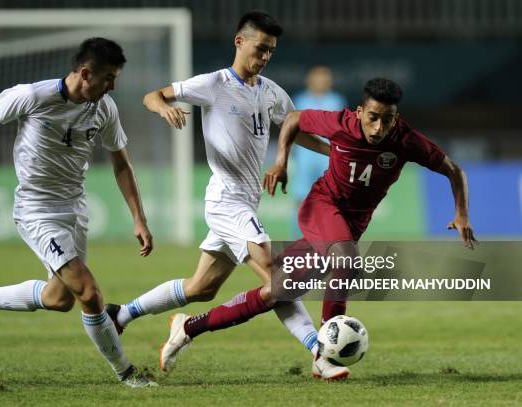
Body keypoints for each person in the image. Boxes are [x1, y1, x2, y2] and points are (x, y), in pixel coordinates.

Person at [165, 77, 476, 381]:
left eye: (388, 120)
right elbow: (294, 119)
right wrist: (282, 162)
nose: (379, 128)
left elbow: (453, 170)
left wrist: (461, 214)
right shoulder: (340, 123)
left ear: (397, 118)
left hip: (350, 224)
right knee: (347, 260)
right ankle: (324, 357)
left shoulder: (406, 141)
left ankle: (188, 327)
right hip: (321, 207)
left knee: (276, 292)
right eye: (373, 118)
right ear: (358, 112)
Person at [104, 11, 332, 377]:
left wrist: (330, 152)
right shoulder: (213, 84)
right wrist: (164, 107)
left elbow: (294, 128)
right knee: (277, 279)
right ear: (239, 42)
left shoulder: (271, 91)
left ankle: (123, 313)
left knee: (202, 287)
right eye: (260, 48)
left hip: (245, 200)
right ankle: (318, 350)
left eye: (271, 51)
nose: (265, 57)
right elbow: (152, 95)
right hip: (226, 200)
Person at [0, 38, 157, 388]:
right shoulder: (32, 96)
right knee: (89, 294)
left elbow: (122, 164)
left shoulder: (104, 108)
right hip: (37, 211)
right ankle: (127, 373)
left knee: (58, 299)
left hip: (75, 208)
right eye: (107, 78)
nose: (112, 86)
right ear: (85, 73)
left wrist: (139, 218)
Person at [290, 66, 346, 237]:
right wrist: (287, 156)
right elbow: (291, 129)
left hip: (329, 159)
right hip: (304, 159)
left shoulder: (337, 101)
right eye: (317, 78)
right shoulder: (299, 100)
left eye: (325, 79)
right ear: (309, 81)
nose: (321, 82)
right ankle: (299, 240)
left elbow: (343, 131)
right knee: (301, 199)